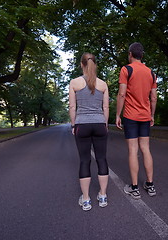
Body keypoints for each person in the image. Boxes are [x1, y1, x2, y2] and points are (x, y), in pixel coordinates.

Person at [116, 42, 158, 199]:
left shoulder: (126, 69)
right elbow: (153, 97)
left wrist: (118, 115)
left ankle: (134, 188)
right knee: (145, 149)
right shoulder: (151, 73)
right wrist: (152, 115)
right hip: (145, 116)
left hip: (130, 116)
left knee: (133, 150)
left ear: (130, 54)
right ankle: (150, 184)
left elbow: (121, 94)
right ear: (142, 55)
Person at [69, 52, 109, 211]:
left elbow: (72, 107)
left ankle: (86, 200)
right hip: (99, 124)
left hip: (82, 125)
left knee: (85, 160)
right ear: (95, 64)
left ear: (81, 64)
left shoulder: (74, 83)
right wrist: (104, 124)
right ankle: (103, 196)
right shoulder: (103, 84)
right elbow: (105, 107)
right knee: (102, 159)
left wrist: (74, 125)